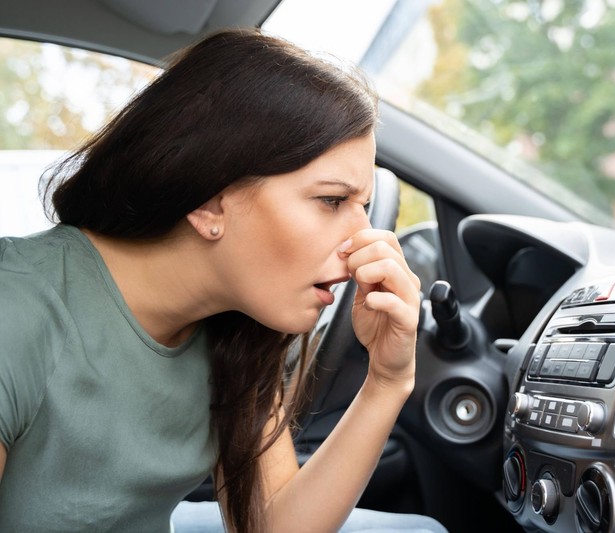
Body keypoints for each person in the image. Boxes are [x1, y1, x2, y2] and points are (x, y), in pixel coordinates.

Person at [0, 28, 446, 533]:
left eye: (363, 208)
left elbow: (273, 526)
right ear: (210, 199)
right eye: (331, 201)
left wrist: (387, 382)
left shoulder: (240, 331)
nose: (362, 241)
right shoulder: (15, 311)